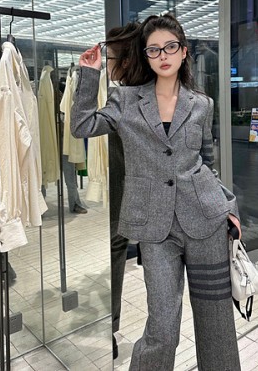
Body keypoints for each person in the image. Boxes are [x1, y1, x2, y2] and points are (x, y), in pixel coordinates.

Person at [71, 13, 242, 370]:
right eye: (154, 50)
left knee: (216, 323)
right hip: (154, 227)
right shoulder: (125, 99)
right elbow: (82, 125)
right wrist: (89, 74)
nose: (163, 55)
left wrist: (228, 207)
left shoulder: (202, 103)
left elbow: (206, 163)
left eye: (170, 47)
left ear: (184, 52)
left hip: (206, 222)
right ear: (146, 56)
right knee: (162, 326)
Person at [104, 22, 141, 359]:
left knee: (118, 249)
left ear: (126, 61)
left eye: (110, 57)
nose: (107, 64)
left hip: (131, 195)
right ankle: (111, 328)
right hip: (130, 192)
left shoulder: (124, 99)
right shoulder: (137, 94)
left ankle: (111, 329)